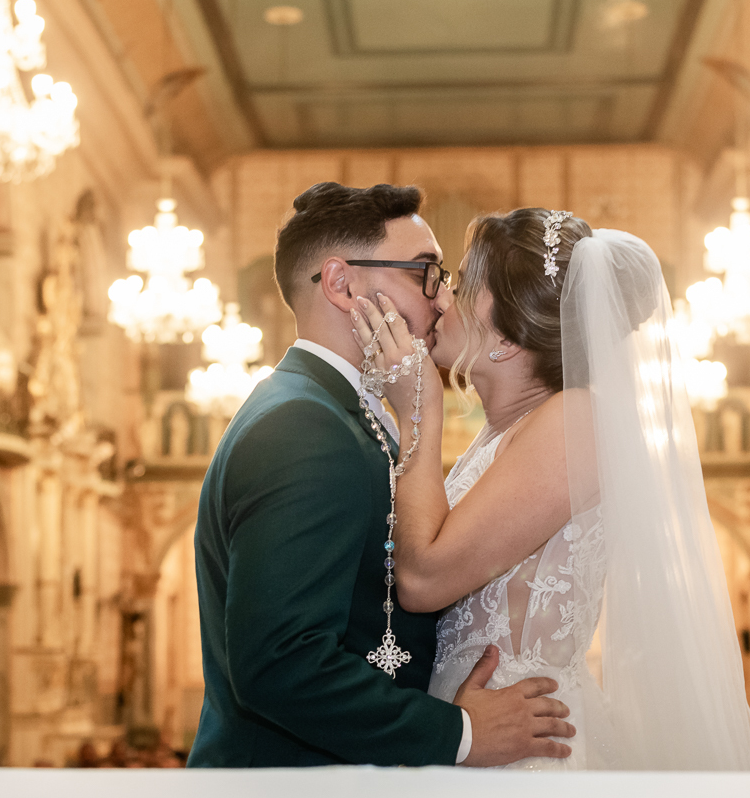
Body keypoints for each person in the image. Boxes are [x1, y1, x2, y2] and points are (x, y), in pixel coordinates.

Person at [351, 208, 750, 770]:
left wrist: (418, 411)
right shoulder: (505, 434)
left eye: (461, 283)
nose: (440, 298)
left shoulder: (577, 420)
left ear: (506, 339)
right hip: (478, 740)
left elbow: (423, 579)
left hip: (528, 754)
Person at [187, 183, 575, 768]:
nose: (441, 296)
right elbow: (282, 662)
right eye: (423, 272)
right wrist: (460, 734)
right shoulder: (303, 427)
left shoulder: (345, 415)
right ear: (342, 285)